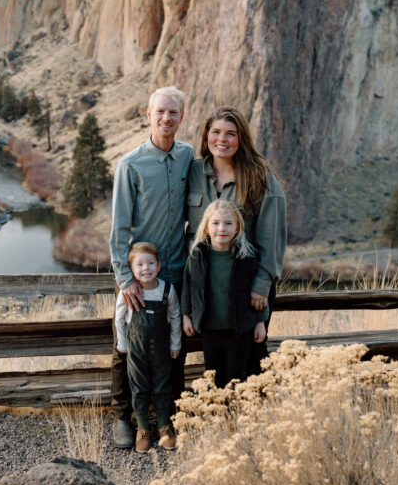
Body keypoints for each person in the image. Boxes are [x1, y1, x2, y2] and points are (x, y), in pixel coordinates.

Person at [110, 86, 194, 449]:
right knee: (125, 346)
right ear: (148, 114)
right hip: (140, 277)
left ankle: (166, 419)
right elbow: (119, 228)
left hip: (175, 273)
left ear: (181, 117)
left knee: (174, 347)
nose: (166, 118)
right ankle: (122, 417)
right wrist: (125, 278)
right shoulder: (130, 164)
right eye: (160, 112)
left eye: (173, 112)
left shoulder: (189, 156)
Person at [185, 107, 286, 374]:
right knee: (212, 363)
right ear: (206, 135)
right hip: (204, 286)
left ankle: (251, 413)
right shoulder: (192, 173)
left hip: (247, 286)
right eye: (216, 132)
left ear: (241, 138)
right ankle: (213, 410)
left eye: (231, 133)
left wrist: (261, 286)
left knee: (251, 360)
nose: (222, 139)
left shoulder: (261, 177)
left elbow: (272, 238)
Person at [181, 200, 267, 388]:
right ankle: (217, 414)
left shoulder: (246, 257)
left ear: (237, 228)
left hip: (239, 330)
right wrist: (185, 316)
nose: (222, 228)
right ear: (206, 227)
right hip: (210, 329)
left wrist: (261, 321)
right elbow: (189, 288)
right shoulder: (197, 256)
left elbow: (258, 293)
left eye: (228, 223)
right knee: (214, 379)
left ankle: (233, 415)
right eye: (216, 223)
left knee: (235, 379)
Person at [114, 242, 181, 452]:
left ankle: (164, 425)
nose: (146, 269)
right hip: (136, 351)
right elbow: (119, 319)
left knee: (163, 385)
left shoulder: (167, 290)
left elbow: (175, 317)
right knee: (139, 388)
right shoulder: (129, 292)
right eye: (140, 265)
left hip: (162, 350)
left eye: (150, 263)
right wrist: (122, 344)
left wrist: (175, 343)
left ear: (159, 265)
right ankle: (142, 429)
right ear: (132, 269)